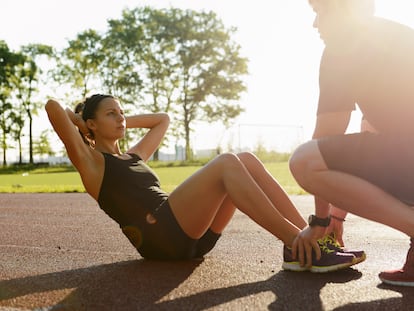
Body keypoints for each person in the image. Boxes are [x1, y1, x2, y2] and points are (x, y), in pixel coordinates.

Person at [46, 94, 358, 272]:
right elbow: (52, 107)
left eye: (121, 113)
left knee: (245, 158)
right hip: (162, 236)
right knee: (225, 163)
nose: (121, 118)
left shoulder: (135, 156)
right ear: (90, 124)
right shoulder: (93, 165)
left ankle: (308, 240)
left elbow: (163, 119)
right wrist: (79, 123)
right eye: (111, 114)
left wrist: (120, 119)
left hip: (193, 238)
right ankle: (300, 243)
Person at [289, 0, 414, 286]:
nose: (315, 24)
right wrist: (337, 217)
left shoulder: (342, 48)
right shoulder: (399, 35)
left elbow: (324, 141)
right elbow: (360, 141)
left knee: (303, 161)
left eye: (321, 12)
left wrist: (320, 223)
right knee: (369, 126)